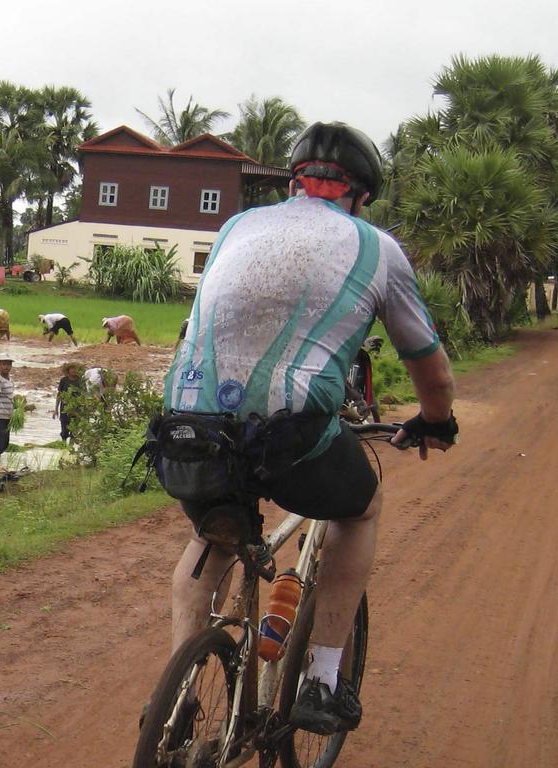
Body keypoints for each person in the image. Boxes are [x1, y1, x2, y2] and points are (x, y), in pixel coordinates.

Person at [163, 122, 457, 736]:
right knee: (362, 508)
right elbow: (427, 364)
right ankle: (323, 679)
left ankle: (177, 696)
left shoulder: (235, 228)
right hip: (290, 431)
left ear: (293, 182)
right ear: (363, 194)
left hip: (187, 425)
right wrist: (436, 421)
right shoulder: (376, 247)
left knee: (212, 539)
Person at [54, 363, 83, 441]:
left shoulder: (81, 381)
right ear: (68, 370)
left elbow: (84, 395)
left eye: (75, 368)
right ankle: (64, 447)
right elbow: (59, 394)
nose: (74, 370)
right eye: (72, 368)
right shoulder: (64, 380)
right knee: (64, 430)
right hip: (65, 408)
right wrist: (56, 409)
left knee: (74, 430)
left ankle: (70, 448)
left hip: (77, 408)